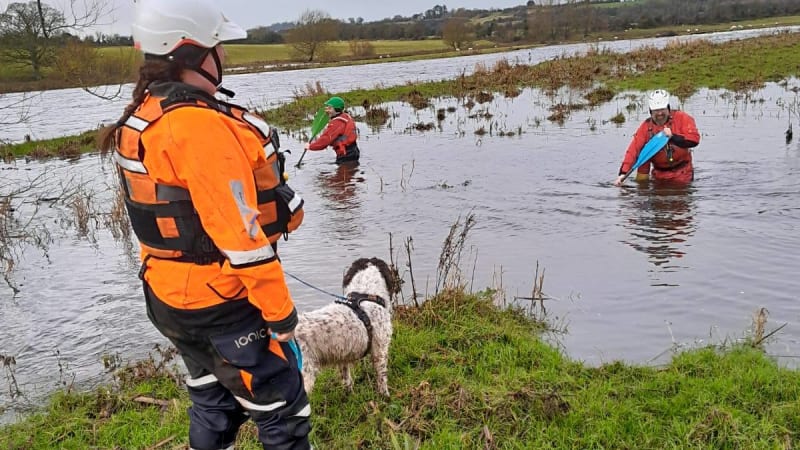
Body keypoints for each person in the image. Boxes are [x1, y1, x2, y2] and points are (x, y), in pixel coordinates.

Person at [97, 1, 310, 449]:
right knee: (283, 407)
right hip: (220, 304)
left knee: (212, 398)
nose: (224, 56)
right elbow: (243, 237)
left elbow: (163, 222)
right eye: (218, 46)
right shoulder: (198, 128)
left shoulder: (146, 116)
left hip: (166, 295)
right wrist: (281, 315)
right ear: (193, 53)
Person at [614, 89, 700, 186]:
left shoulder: (682, 118)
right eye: (656, 110)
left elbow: (694, 140)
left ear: (668, 108)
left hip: (683, 172)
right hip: (659, 175)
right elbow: (633, 150)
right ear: (650, 111)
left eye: (662, 109)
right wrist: (622, 174)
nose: (659, 113)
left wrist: (672, 137)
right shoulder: (645, 127)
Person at [303, 96, 360, 164]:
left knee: (343, 173)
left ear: (336, 110)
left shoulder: (337, 123)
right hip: (353, 151)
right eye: (327, 107)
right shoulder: (345, 116)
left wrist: (310, 146)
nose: (327, 110)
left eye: (330, 108)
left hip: (346, 155)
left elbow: (325, 140)